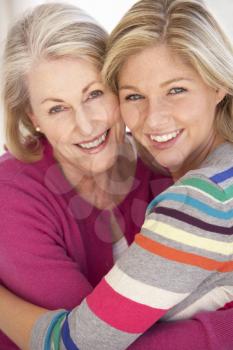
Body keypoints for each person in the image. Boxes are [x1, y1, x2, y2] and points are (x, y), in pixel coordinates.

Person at [0, 0, 232, 349]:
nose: (86, 124)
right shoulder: (12, 198)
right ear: (32, 116)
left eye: (94, 94)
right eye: (57, 108)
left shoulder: (163, 161)